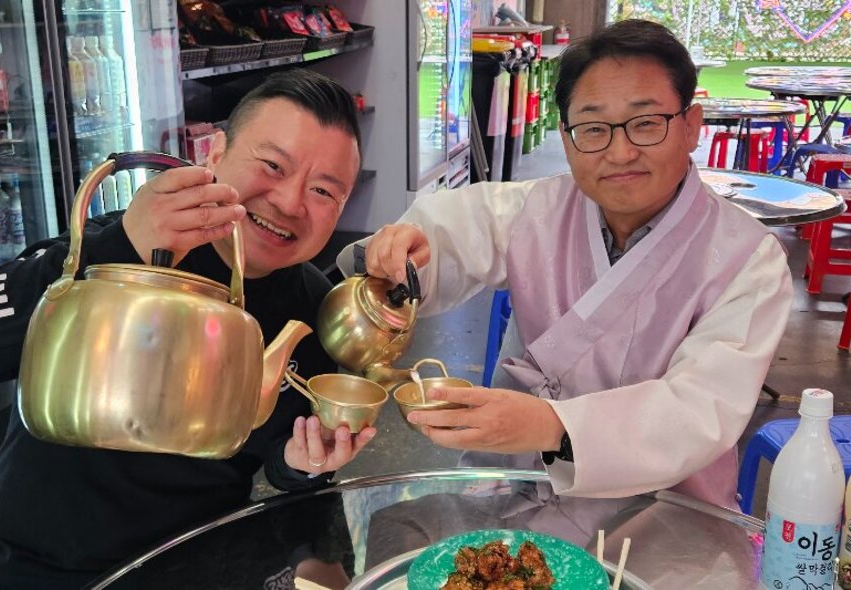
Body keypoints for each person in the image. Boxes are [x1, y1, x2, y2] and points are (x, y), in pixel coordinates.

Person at [337, 19, 793, 544]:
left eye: (646, 123)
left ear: (691, 125)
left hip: (661, 511)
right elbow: (453, 231)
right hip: (519, 486)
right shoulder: (539, 209)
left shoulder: (747, 259)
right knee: (399, 534)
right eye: (594, 128)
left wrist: (551, 426)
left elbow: (696, 412)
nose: (619, 152)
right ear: (567, 135)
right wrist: (401, 257)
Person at [0, 69, 375, 588]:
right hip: (37, 570)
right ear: (214, 153)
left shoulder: (313, 308)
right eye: (272, 164)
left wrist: (303, 465)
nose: (291, 202)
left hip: (198, 565)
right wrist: (116, 249)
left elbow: (286, 467)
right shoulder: (126, 243)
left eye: (323, 190)